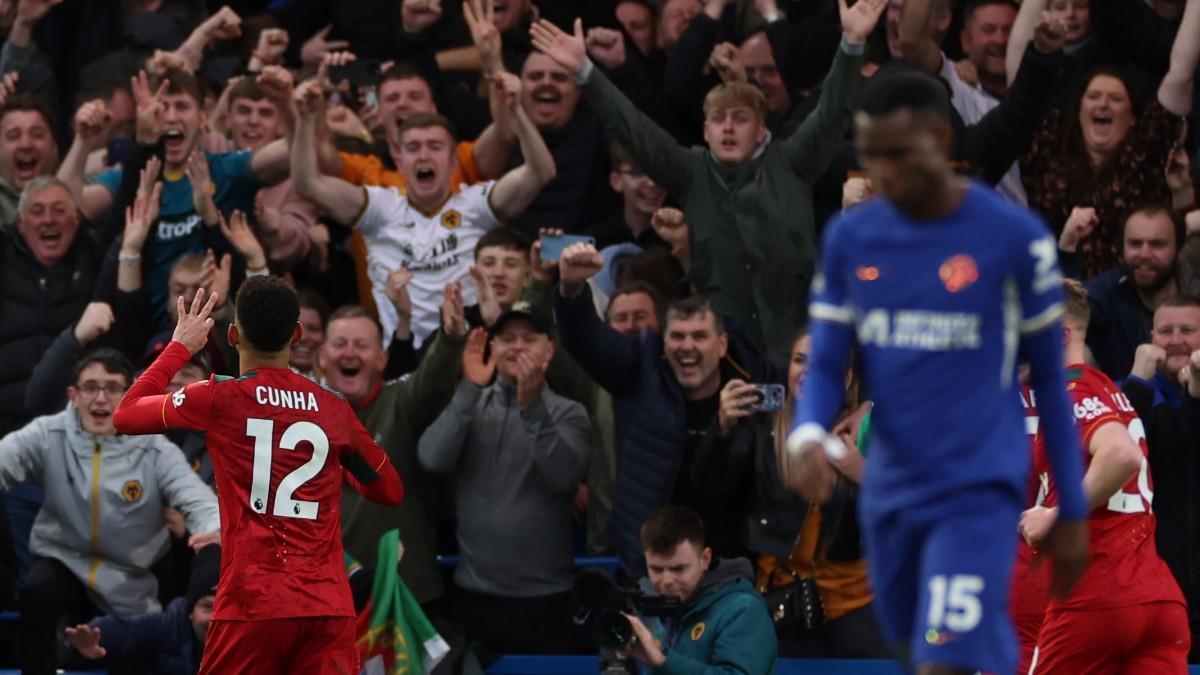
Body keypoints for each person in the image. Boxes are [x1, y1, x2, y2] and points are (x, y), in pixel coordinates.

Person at [785, 70, 1089, 675]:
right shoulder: (852, 238)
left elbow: (1052, 383)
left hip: (976, 483)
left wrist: (1073, 506)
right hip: (893, 484)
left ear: (942, 139)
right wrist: (806, 434)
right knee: (928, 646)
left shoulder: (1010, 237)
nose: (885, 172)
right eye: (873, 156)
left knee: (941, 661)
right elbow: (825, 359)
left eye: (900, 153)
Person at [530, 0, 886, 364]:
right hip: (723, 363)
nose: (728, 127)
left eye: (740, 118)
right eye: (719, 119)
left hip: (799, 354)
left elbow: (831, 114)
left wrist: (852, 44)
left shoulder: (792, 162)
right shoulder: (690, 170)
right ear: (705, 130)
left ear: (761, 129)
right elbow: (634, 129)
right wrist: (585, 72)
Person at [113, 277, 405, 675]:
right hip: (326, 607)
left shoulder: (217, 397)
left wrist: (180, 347)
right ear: (298, 334)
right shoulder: (334, 408)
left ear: (233, 335)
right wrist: (337, 464)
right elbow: (390, 490)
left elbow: (125, 414)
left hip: (253, 603)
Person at [555, 247, 781, 578]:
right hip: (652, 568)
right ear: (662, 341)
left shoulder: (750, 384)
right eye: (677, 336)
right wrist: (571, 290)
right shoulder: (640, 363)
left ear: (721, 346)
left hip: (731, 568)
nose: (687, 346)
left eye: (699, 336)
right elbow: (589, 342)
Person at [290, 71, 555, 349]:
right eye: (414, 148)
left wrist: (517, 113)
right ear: (399, 159)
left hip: (470, 351)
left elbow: (541, 171)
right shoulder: (380, 208)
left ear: (453, 160)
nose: (424, 155)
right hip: (403, 358)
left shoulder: (476, 205)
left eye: (435, 146)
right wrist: (307, 120)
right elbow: (307, 183)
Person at [0, 349, 220, 675]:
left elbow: (197, 499)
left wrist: (212, 529)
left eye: (113, 388)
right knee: (36, 592)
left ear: (130, 392)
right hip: (65, 560)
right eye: (90, 387)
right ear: (73, 395)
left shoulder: (155, 448)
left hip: (130, 574)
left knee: (138, 650)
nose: (100, 398)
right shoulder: (48, 433)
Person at [1018, 279, 1189, 672]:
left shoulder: (1072, 391)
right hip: (1157, 602)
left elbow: (1121, 455)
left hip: (1096, 598)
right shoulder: (1111, 394)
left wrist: (1055, 514)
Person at [695, 333, 890, 658]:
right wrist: (722, 428)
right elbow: (711, 484)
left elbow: (915, 506)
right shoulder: (765, 427)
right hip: (782, 603)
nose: (807, 369)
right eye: (799, 360)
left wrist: (865, 475)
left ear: (846, 376)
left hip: (855, 603)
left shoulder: (867, 431)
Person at [418, 305, 590, 655]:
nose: (517, 347)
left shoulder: (570, 412)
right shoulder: (471, 405)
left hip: (546, 598)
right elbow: (430, 457)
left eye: (530, 339)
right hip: (473, 595)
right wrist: (468, 388)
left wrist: (533, 409)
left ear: (550, 350)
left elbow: (565, 477)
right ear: (491, 348)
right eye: (507, 339)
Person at [318, 300, 467, 608]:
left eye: (361, 345)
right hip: (331, 600)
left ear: (381, 358)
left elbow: (432, 383)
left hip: (408, 599)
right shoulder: (301, 412)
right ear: (322, 357)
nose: (349, 353)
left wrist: (451, 338)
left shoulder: (400, 403)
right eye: (340, 344)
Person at [1123, 294, 1200, 652]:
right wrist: (1137, 380)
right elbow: (1120, 449)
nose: (1176, 340)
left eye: (1188, 330)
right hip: (1154, 582)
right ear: (1150, 337)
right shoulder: (1134, 393)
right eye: (1165, 331)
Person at [618, 506, 776, 674]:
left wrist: (663, 660)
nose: (666, 581)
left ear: (705, 559)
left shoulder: (744, 611)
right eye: (656, 569)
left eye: (678, 569)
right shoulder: (671, 608)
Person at [65, 543, 222, 675]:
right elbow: (126, 631)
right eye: (207, 607)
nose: (216, 619)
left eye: (226, 607)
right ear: (191, 612)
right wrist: (95, 640)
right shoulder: (169, 627)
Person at [1084, 205, 1184, 380]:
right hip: (1122, 402)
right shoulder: (1108, 291)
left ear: (1179, 251)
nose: (1144, 254)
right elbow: (1065, 310)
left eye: (1157, 244)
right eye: (1135, 243)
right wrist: (1067, 249)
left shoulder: (1193, 292)